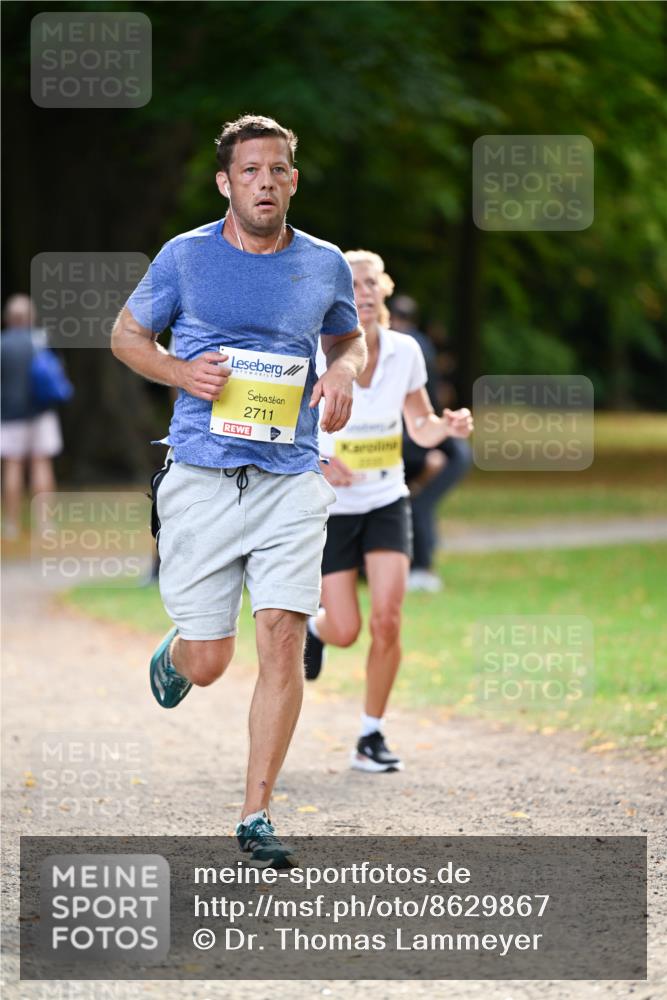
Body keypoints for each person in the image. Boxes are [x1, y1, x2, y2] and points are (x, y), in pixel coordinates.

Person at [111, 115, 366, 866]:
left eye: (278, 169)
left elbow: (346, 338)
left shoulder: (322, 264)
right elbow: (127, 337)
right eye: (250, 170)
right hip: (200, 474)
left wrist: (344, 371)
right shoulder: (185, 258)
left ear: (293, 179)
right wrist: (180, 373)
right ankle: (180, 652)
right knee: (212, 661)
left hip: (291, 475)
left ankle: (256, 814)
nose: (265, 181)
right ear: (226, 183)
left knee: (283, 636)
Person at [304, 251, 473, 773]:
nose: (364, 290)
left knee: (388, 619)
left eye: (372, 282)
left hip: (385, 500)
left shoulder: (406, 352)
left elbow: (419, 426)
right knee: (347, 628)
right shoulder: (317, 352)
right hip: (333, 508)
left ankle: (370, 734)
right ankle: (315, 628)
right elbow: (291, 429)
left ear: (385, 290)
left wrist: (445, 426)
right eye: (353, 283)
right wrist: (323, 462)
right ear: (338, 293)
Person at [390, 295, 473, 592]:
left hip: (443, 447)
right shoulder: (415, 342)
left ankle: (423, 570)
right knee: (409, 500)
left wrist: (431, 454)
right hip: (430, 442)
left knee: (419, 504)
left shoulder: (407, 347)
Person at [1, 294, 64, 540]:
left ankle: (11, 524)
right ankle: (45, 524)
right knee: (42, 464)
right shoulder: (41, 341)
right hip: (42, 412)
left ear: (8, 319)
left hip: (8, 414)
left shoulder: (2, 344)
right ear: (30, 317)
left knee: (13, 465)